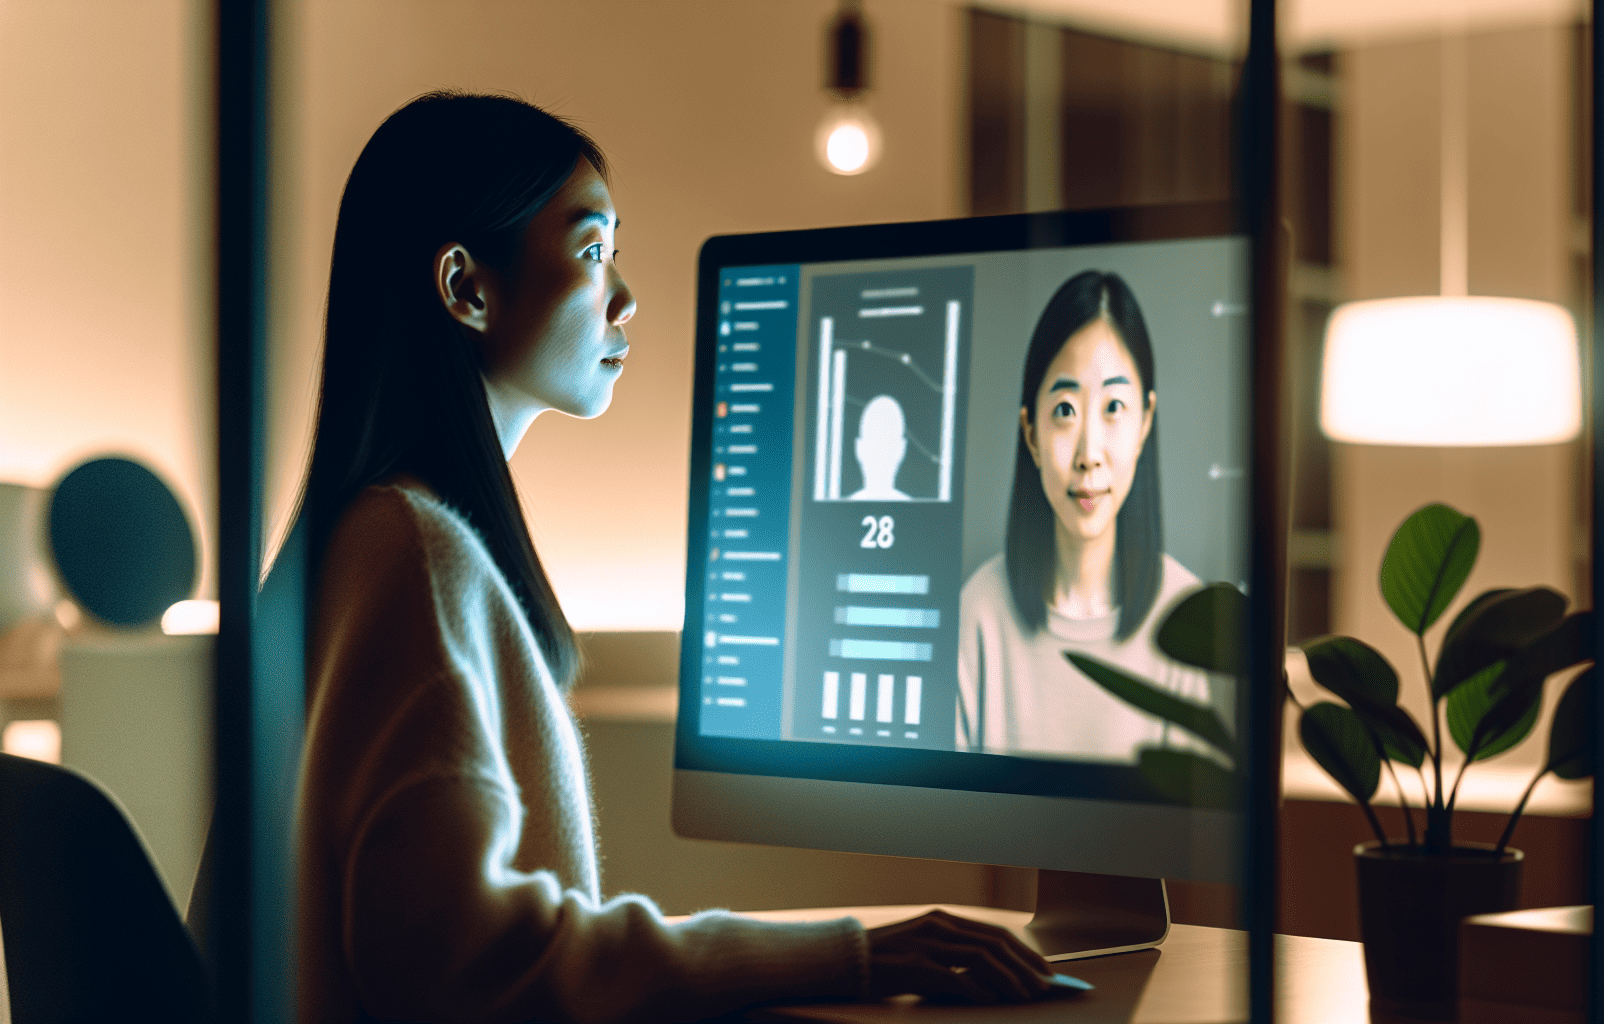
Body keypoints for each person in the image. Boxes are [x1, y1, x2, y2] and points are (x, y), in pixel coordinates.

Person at [286, 92, 1054, 1024]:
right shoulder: (413, 555)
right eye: (593, 249)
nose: (626, 295)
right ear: (466, 287)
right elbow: (463, 962)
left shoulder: (367, 542)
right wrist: (842, 955)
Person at [956, 270, 1233, 764]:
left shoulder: (1185, 613)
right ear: (1031, 432)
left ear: (1145, 422)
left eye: (1113, 407)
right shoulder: (977, 614)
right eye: (1064, 410)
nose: (1089, 454)